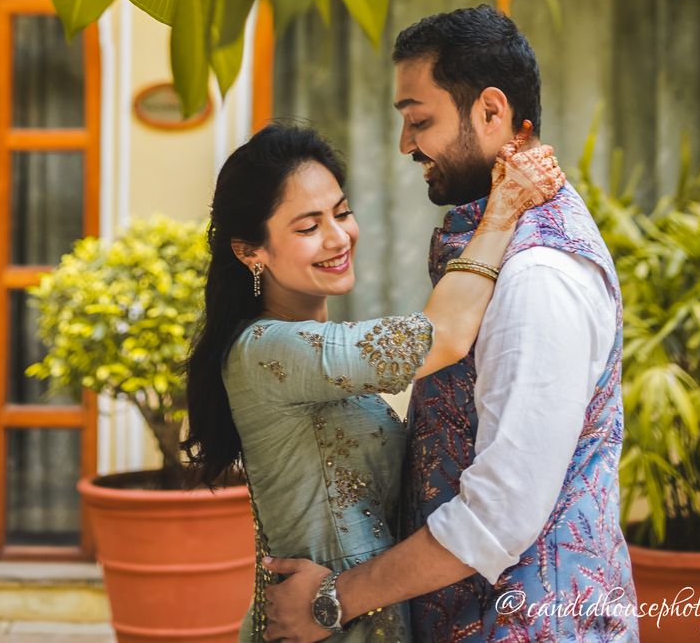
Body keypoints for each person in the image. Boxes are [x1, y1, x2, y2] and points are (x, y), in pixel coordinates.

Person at [263, 5, 639, 642]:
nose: (407, 145)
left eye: (419, 120)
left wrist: (332, 600)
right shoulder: (502, 246)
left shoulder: (538, 275)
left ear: (491, 112)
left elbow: (500, 514)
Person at [183, 117, 566, 643]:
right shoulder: (264, 350)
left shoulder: (315, 349)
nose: (338, 237)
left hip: (359, 615)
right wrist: (504, 207)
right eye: (307, 226)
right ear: (251, 251)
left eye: (342, 213)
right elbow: (445, 335)